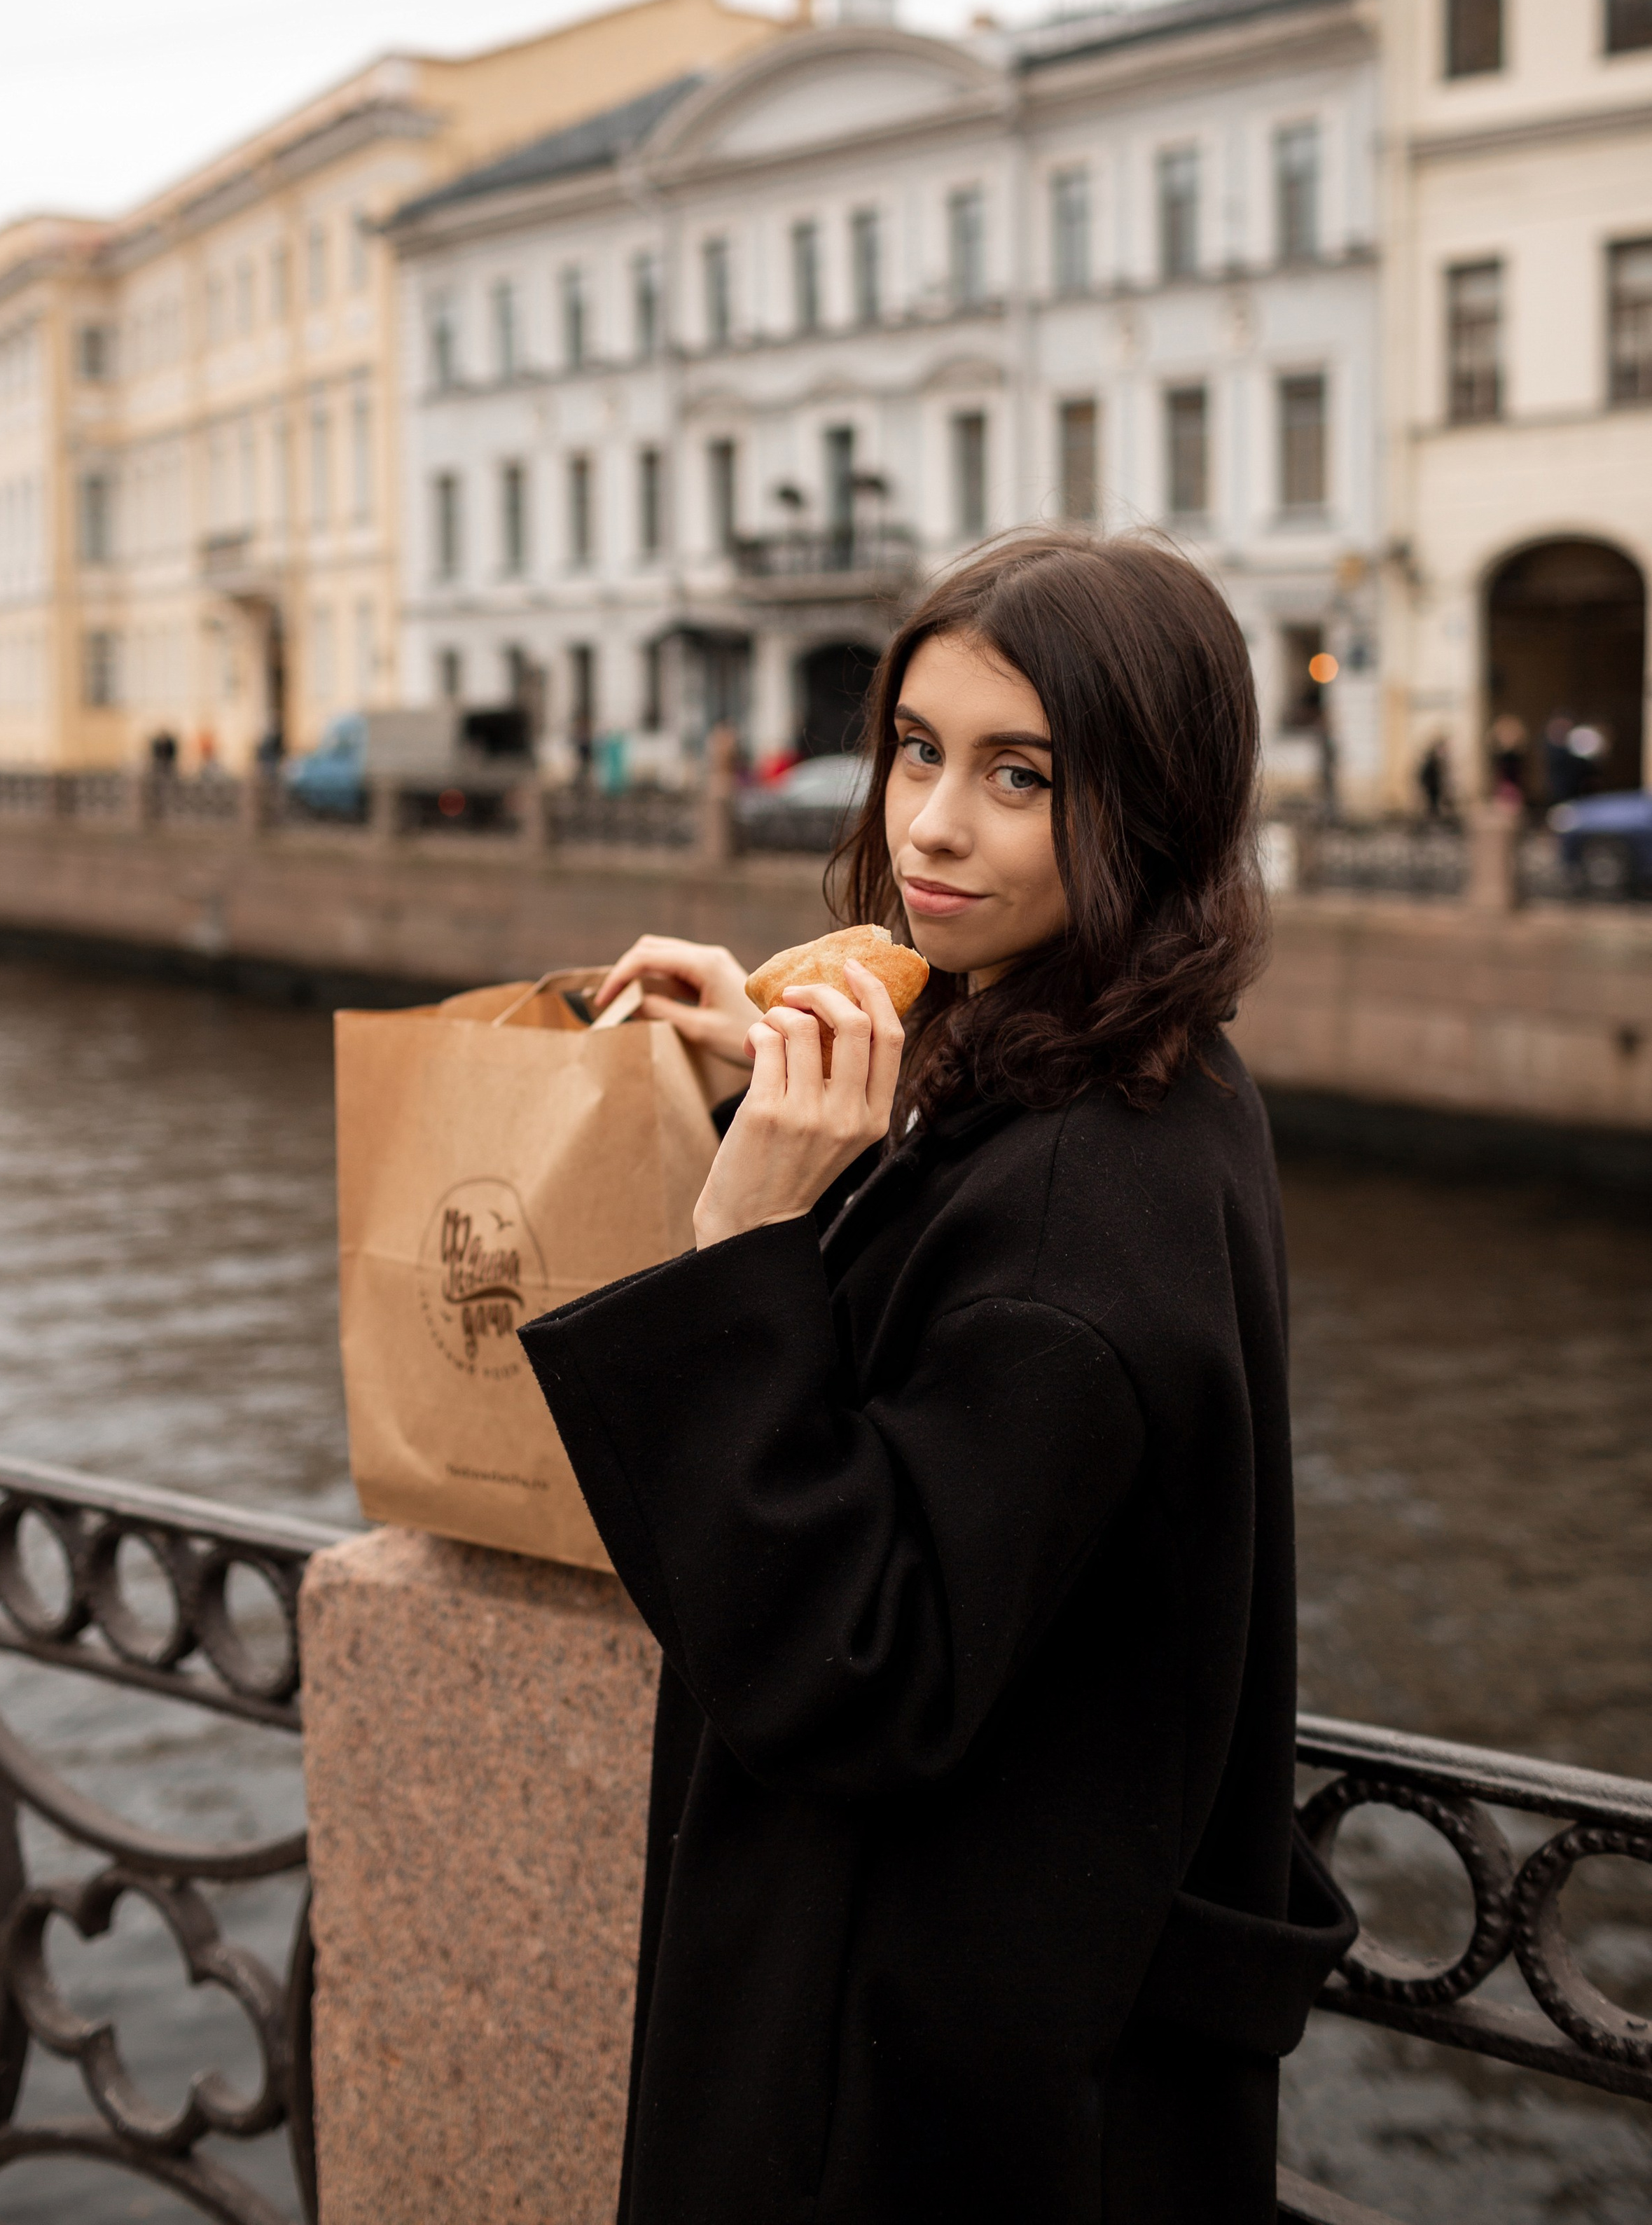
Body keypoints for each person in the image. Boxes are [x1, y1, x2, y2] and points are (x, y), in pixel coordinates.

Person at [524, 529, 1353, 2225]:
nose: (928, 825)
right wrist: (782, 1043)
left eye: (1018, 775)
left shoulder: (1068, 1239)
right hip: (1025, 2023)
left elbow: (854, 1669)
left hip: (918, 2095)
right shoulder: (1151, 1069)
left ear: (1158, 798)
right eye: (914, 747)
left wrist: (749, 1222)